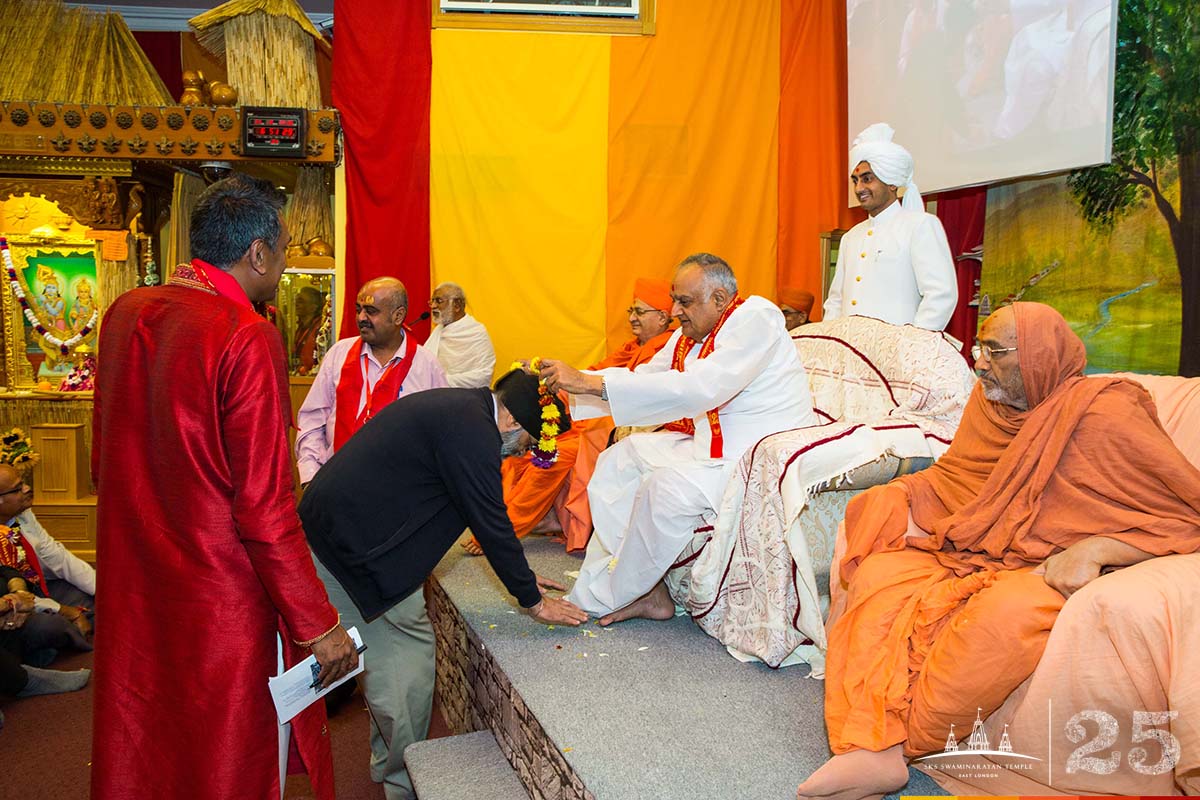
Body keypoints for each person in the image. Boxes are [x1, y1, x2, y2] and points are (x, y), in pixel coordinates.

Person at [797, 302, 1200, 800]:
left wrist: (1101, 546)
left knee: (1002, 617)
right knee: (880, 575)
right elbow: (960, 477)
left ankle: (896, 749)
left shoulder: (1105, 411)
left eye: (995, 351)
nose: (980, 362)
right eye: (978, 348)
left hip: (1050, 564)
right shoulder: (989, 403)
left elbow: (1184, 510)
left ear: (1038, 355)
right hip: (979, 541)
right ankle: (870, 745)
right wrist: (902, 496)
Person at [91, 174, 359, 800]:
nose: (285, 268)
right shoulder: (245, 334)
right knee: (226, 756)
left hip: (139, 583)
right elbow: (265, 509)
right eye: (286, 252)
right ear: (258, 252)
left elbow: (106, 461)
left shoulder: (125, 312)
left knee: (149, 739)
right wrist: (317, 625)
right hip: (221, 599)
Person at [300, 369, 588, 800]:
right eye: (528, 443)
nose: (521, 455)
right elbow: (489, 518)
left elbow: (472, 509)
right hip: (349, 553)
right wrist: (533, 601)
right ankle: (404, 784)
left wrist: (524, 574)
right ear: (511, 421)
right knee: (407, 670)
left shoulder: (462, 411)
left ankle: (388, 766)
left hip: (343, 539)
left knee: (398, 660)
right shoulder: (473, 430)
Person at [540, 253, 817, 624]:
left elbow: (702, 386)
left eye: (684, 302)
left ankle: (604, 598)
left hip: (757, 459)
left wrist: (590, 383)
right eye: (675, 300)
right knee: (620, 459)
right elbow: (647, 376)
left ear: (719, 299)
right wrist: (578, 381)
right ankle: (643, 588)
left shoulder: (756, 318)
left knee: (665, 488)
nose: (674, 310)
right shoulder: (691, 335)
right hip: (710, 451)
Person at [461, 276, 677, 556]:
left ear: (662, 317)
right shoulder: (631, 349)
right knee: (522, 453)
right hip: (589, 422)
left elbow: (640, 397)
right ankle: (528, 519)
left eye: (639, 311)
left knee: (551, 457)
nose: (632, 318)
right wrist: (548, 374)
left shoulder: (666, 349)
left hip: (619, 432)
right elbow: (589, 376)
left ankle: (505, 529)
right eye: (630, 312)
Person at [296, 277, 447, 485]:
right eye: (358, 309)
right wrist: (311, 475)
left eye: (371, 311)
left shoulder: (427, 366)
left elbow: (440, 435)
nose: (361, 317)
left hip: (400, 493)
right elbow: (312, 420)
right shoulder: (339, 354)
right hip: (336, 486)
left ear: (398, 316)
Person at [823, 123, 957, 330]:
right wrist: (830, 342)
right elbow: (836, 300)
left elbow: (940, 295)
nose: (859, 188)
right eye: (855, 180)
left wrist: (911, 345)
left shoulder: (920, 225)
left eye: (867, 179)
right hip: (850, 352)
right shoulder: (851, 237)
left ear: (892, 182)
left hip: (896, 353)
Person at [0, 463, 94, 659]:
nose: (27, 489)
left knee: (91, 597)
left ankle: (50, 647)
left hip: (37, 587)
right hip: (11, 607)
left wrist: (101, 587)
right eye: (18, 489)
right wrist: (67, 612)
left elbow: (57, 557)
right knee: (51, 626)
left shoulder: (22, 514)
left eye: (23, 483)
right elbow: (14, 598)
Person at [424, 282, 497, 388]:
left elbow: (483, 376)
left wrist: (439, 380)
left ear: (457, 305)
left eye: (439, 301)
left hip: (465, 399)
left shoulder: (476, 332)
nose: (433, 306)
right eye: (432, 301)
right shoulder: (439, 330)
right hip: (436, 395)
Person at [292, 285, 324, 374]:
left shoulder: (320, 328)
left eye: (301, 301)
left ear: (313, 307)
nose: (296, 304)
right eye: (296, 300)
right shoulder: (301, 327)